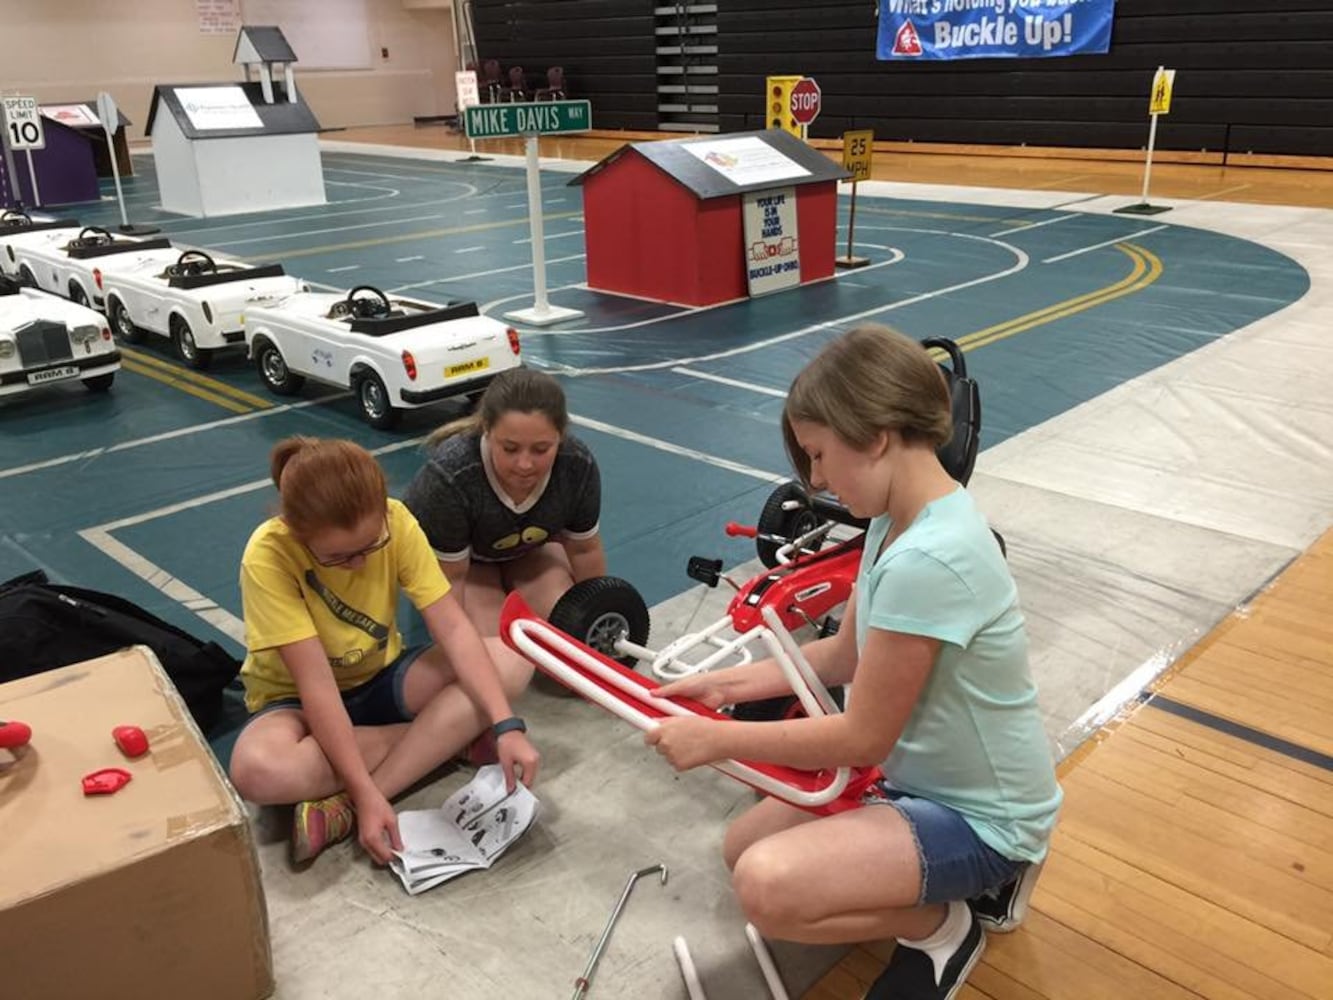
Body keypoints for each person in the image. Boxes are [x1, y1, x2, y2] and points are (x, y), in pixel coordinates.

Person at [645, 325, 1062, 1000]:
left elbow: (862, 737)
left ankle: (943, 925)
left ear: (870, 435)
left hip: (984, 818)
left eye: (817, 454)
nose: (814, 479)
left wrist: (713, 739)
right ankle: (931, 883)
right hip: (917, 787)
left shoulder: (929, 556)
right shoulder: (894, 525)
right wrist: (722, 685)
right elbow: (842, 655)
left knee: (766, 886)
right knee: (741, 851)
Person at [228, 436, 539, 866]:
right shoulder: (268, 555)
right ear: (295, 531)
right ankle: (448, 742)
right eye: (338, 557)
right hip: (295, 702)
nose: (358, 564)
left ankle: (346, 809)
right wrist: (363, 783)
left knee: (513, 656)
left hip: (380, 678)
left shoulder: (396, 521)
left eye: (369, 547)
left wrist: (506, 724)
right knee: (258, 770)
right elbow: (317, 686)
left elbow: (451, 625)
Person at [402, 368, 606, 638]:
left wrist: (597, 617)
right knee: (502, 653)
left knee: (567, 634)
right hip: (465, 567)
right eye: (510, 448)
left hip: (530, 553)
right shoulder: (451, 477)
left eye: (541, 449)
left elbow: (584, 551)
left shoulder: (576, 465)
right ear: (486, 430)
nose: (524, 465)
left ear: (560, 436)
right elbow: (451, 579)